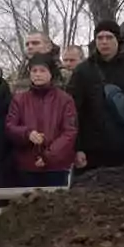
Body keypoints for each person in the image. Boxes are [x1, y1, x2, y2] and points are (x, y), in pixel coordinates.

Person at [67, 20, 124, 171]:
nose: (104, 42)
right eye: (100, 38)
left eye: (109, 37)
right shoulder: (82, 71)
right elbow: (73, 112)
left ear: (117, 40)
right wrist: (77, 148)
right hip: (91, 150)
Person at [6, 53, 77, 186]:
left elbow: (69, 132)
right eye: (34, 71)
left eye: (42, 70)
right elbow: (10, 127)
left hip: (56, 167)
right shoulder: (19, 99)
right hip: (26, 165)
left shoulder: (64, 100)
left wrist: (48, 156)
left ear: (51, 73)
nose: (38, 74)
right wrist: (27, 134)